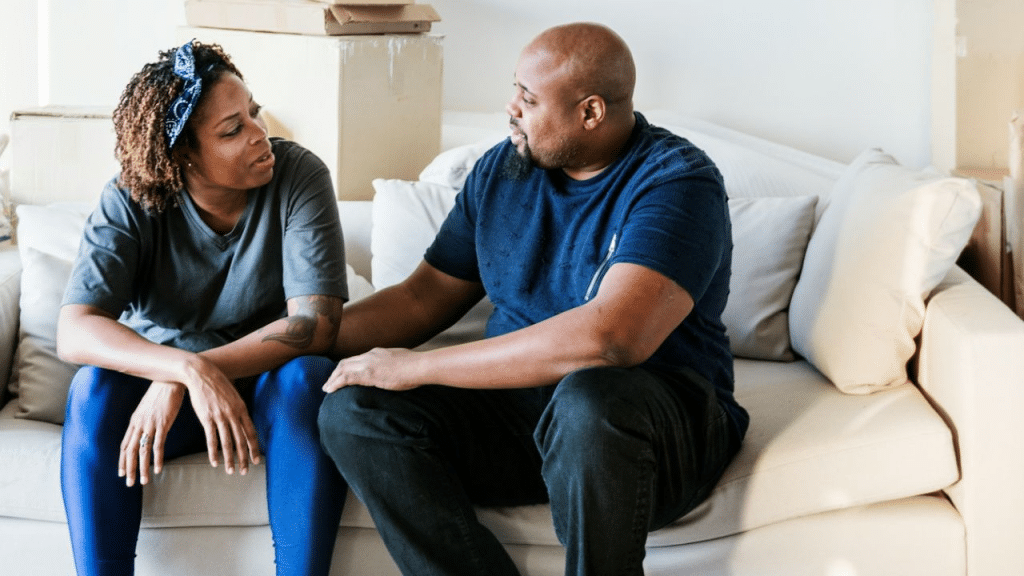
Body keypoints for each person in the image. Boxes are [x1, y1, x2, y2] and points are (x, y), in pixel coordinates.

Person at [317, 21, 749, 576]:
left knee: (589, 401)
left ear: (590, 112)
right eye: (514, 89)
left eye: (528, 97)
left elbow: (612, 338)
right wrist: (297, 337)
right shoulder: (503, 167)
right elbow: (423, 298)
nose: (510, 107)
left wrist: (419, 367)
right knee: (356, 410)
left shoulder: (677, 183)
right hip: (525, 413)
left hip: (655, 426)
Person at [57, 40, 348, 576]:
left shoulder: (298, 175)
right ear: (182, 154)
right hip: (170, 400)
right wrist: (181, 370)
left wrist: (198, 370)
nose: (261, 136)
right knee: (92, 388)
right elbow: (75, 330)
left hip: (266, 388)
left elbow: (315, 326)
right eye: (232, 130)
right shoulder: (131, 197)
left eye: (254, 112)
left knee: (308, 377)